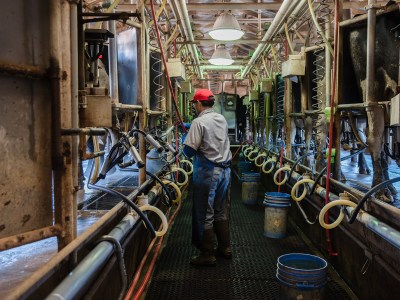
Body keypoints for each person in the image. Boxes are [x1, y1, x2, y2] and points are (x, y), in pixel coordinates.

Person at [183, 89, 232, 266]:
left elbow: (188, 151)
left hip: (208, 172)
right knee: (220, 210)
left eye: (194, 104)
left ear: (198, 104)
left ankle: (207, 254)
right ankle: (225, 248)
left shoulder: (198, 122)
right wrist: (192, 129)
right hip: (225, 172)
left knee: (205, 212)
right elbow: (213, 137)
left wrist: (186, 137)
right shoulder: (221, 118)